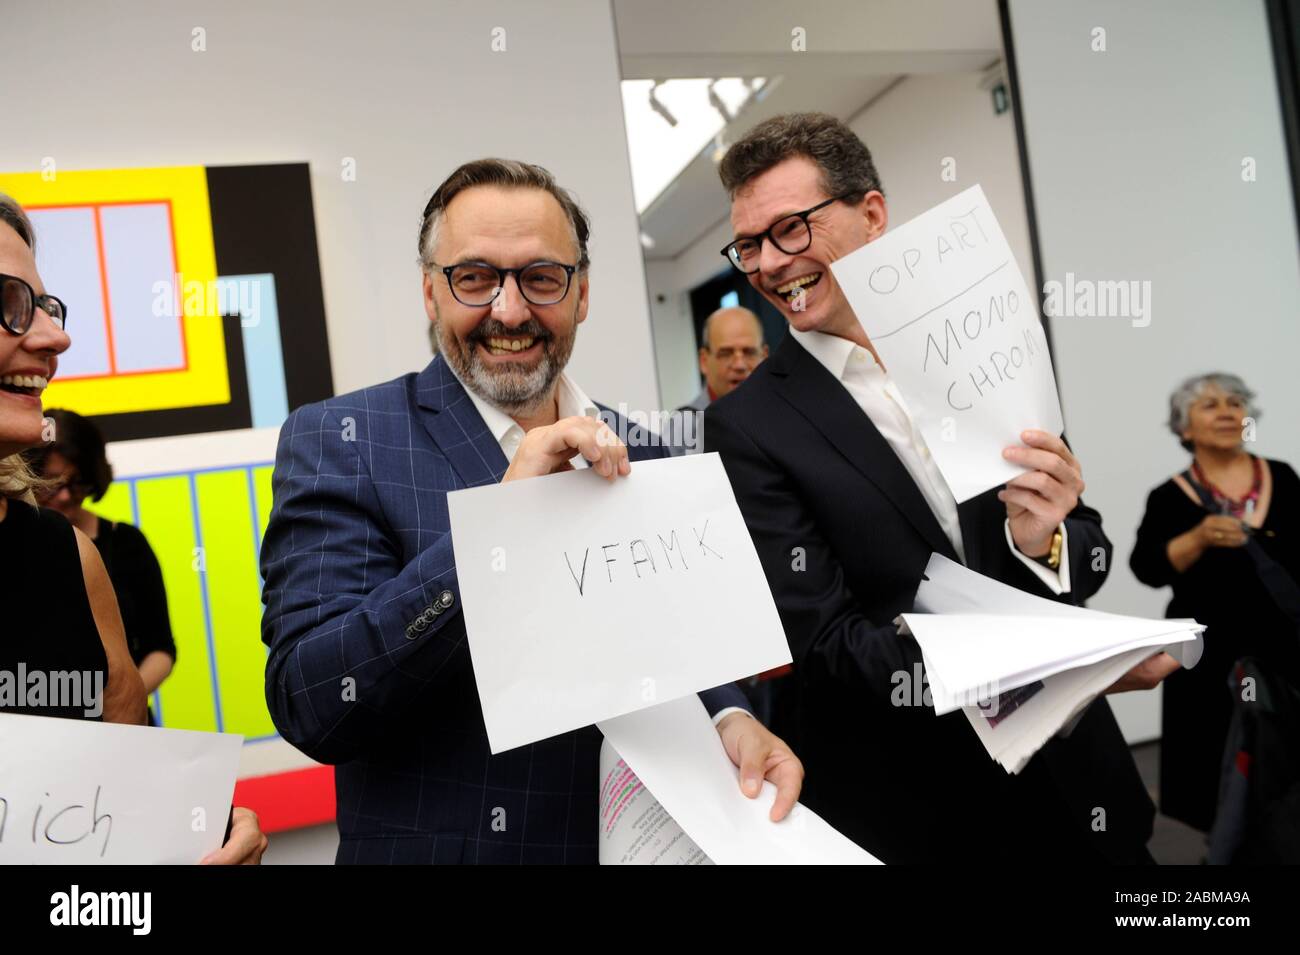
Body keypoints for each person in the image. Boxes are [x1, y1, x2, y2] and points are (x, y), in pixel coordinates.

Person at [259, 158, 803, 864]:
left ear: (580, 295)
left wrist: (729, 716)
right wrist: (500, 526)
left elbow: (683, 650)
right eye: (475, 277)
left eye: (541, 277)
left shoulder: (646, 451)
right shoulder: (343, 441)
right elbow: (315, 700)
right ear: (431, 291)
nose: (510, 311)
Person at [705, 113, 1177, 864]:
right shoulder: (748, 426)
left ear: (872, 214)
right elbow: (831, 649)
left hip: (1082, 784)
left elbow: (1086, 555)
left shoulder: (978, 343)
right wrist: (1058, 668)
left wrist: (1043, 538)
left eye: (791, 228)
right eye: (750, 244)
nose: (768, 263)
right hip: (934, 807)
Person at [0, 193, 266, 865]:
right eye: (7, 302)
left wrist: (185, 838)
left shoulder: (69, 555)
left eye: (45, 306)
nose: (55, 338)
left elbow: (118, 849)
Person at [1131, 372, 1300, 834]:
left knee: (1288, 754)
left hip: (1285, 645)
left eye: (1235, 402)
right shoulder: (1169, 496)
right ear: (1184, 428)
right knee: (1212, 761)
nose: (1227, 411)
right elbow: (1146, 569)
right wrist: (1199, 537)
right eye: (1210, 405)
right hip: (1209, 654)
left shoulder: (1281, 476)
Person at [29, 408, 176, 717]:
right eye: (52, 484)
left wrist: (118, 701)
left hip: (121, 726)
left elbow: (161, 649)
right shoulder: (17, 542)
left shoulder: (127, 543)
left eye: (78, 483)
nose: (66, 496)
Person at [675, 306, 767, 455]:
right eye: (725, 354)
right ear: (704, 361)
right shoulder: (683, 428)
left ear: (764, 356)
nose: (739, 365)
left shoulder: (788, 416)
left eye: (749, 352)